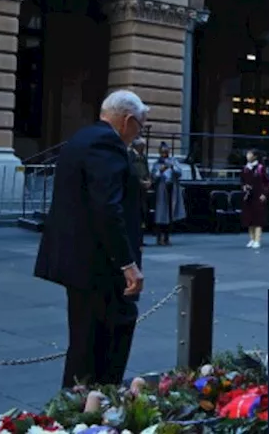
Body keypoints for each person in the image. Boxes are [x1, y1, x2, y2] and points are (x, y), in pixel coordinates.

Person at [34, 90, 147, 389]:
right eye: (141, 125)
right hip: (100, 265)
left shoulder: (82, 138)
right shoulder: (106, 144)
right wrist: (127, 264)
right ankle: (97, 405)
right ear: (128, 120)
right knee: (106, 342)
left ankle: (78, 405)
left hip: (82, 262)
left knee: (85, 340)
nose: (139, 133)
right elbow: (108, 207)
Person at [152, 142, 185, 246]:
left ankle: (167, 237)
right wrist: (160, 171)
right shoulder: (156, 163)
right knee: (161, 215)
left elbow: (179, 173)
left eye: (166, 152)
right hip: (161, 190)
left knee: (170, 214)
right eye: (162, 152)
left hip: (172, 189)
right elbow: (153, 176)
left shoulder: (173, 161)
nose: (164, 154)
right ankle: (159, 237)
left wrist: (172, 167)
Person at [241, 149, 269, 249]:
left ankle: (257, 240)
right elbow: (242, 181)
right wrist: (244, 187)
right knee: (249, 219)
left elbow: (267, 182)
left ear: (255, 156)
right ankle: (251, 239)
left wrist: (264, 194)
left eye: (249, 154)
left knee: (258, 220)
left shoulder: (260, 168)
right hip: (248, 196)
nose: (247, 156)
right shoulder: (245, 168)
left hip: (258, 196)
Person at [130, 138, 153, 246]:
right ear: (137, 146)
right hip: (134, 190)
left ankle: (141, 238)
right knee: (134, 213)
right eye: (142, 145)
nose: (143, 148)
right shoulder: (130, 156)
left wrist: (149, 180)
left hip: (143, 190)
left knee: (143, 212)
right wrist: (140, 182)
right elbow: (131, 172)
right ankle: (134, 238)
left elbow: (147, 170)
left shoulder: (143, 157)